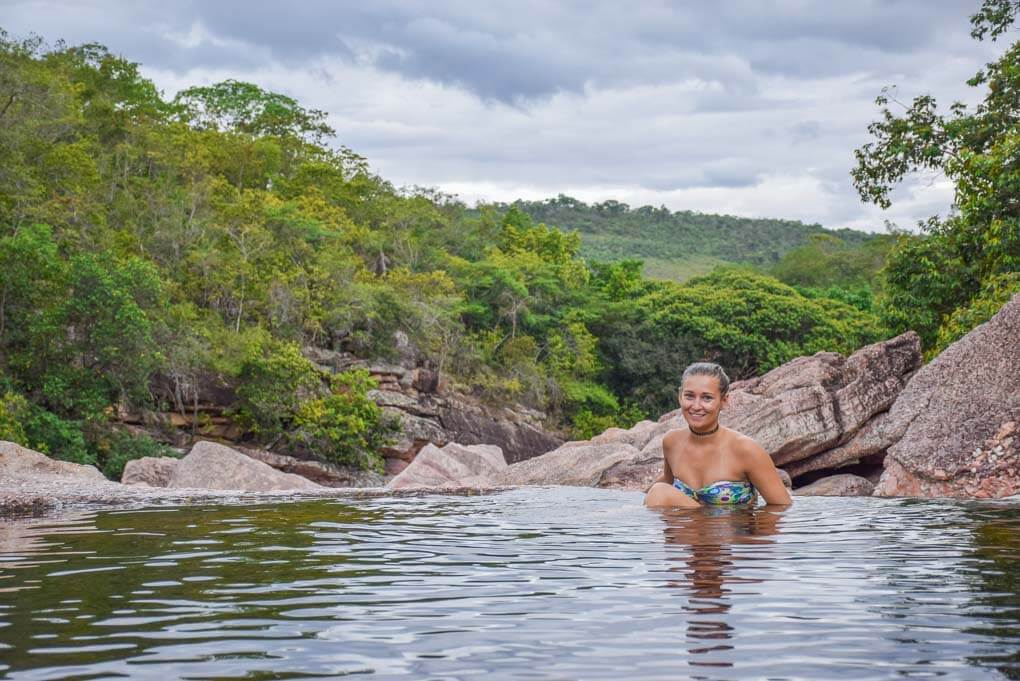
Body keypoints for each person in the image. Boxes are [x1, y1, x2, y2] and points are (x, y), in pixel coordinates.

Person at [645, 362, 792, 508]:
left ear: (724, 400)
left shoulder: (745, 449)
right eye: (689, 396)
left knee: (660, 493)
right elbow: (667, 480)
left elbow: (781, 507)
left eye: (707, 398)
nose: (696, 406)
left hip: (731, 528)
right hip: (686, 529)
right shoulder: (672, 442)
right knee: (658, 492)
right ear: (679, 396)